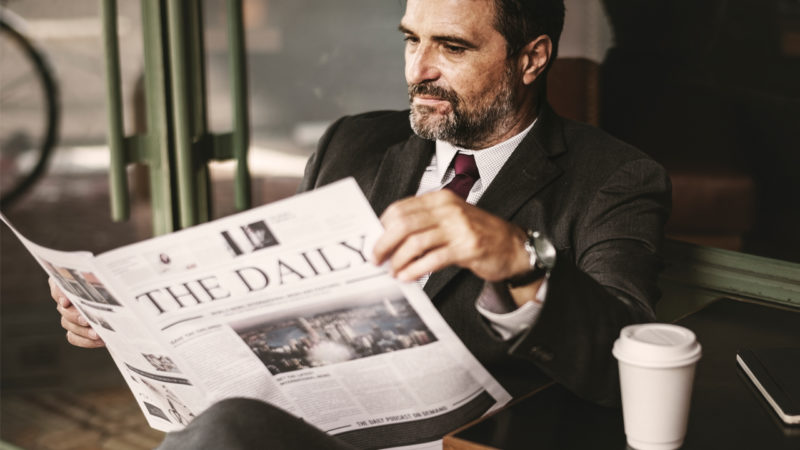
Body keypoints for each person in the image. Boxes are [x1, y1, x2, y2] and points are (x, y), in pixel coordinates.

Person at [50, 0, 671, 446]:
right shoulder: (352, 143)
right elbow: (270, 294)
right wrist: (134, 320)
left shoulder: (612, 178)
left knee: (224, 432)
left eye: (452, 47)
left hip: (457, 443)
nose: (418, 70)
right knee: (223, 425)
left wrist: (520, 259)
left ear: (532, 58)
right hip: (313, 425)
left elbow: (625, 362)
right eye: (411, 39)